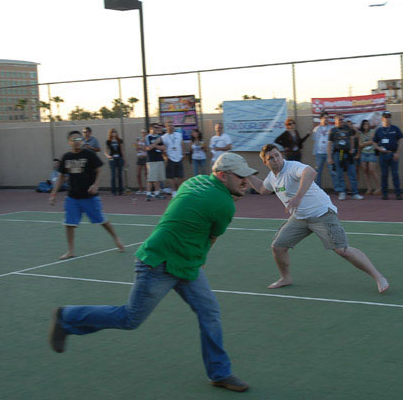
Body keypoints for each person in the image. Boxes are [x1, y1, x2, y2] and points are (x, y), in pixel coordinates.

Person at [48, 152, 257, 393]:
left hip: (184, 263)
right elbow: (211, 239)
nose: (246, 181)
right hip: (159, 263)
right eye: (241, 177)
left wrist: (192, 256)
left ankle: (219, 373)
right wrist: (198, 258)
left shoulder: (195, 180)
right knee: (129, 318)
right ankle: (66, 317)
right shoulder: (223, 205)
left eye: (247, 177)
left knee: (209, 312)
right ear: (222, 176)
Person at [247, 144, 388, 293]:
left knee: (342, 250)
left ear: (281, 155)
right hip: (300, 218)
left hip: (322, 213)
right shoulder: (272, 178)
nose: (275, 159)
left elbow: (310, 172)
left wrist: (298, 196)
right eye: (271, 158)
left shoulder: (292, 167)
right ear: (265, 162)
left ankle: (379, 277)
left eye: (277, 155)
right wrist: (247, 174)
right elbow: (262, 189)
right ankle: (286, 278)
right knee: (278, 247)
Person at [50, 130, 125, 260]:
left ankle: (116, 238)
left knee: (102, 220)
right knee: (69, 224)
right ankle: (70, 251)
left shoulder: (89, 154)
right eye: (74, 139)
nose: (77, 141)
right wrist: (53, 193)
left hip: (89, 197)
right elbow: (61, 176)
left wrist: (95, 185)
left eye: (79, 139)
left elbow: (99, 170)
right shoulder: (66, 157)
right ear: (69, 142)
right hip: (72, 197)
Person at [327, 114, 364, 200]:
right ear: (335, 120)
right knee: (339, 174)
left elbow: (351, 139)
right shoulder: (332, 130)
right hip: (338, 154)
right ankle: (342, 192)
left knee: (352, 173)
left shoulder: (348, 129)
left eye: (342, 120)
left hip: (348, 153)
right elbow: (329, 144)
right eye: (339, 119)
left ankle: (355, 193)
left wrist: (352, 148)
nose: (341, 121)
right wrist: (329, 157)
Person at [372, 112, 403, 200]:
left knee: (395, 174)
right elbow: (374, 142)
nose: (387, 119)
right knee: (384, 175)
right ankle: (385, 194)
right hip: (383, 155)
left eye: (389, 117)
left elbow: (401, 139)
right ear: (382, 119)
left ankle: (398, 193)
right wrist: (379, 148)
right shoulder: (379, 130)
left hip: (393, 154)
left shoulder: (395, 129)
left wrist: (398, 152)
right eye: (385, 117)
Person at [312, 112, 335, 188]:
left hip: (329, 153)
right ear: (320, 119)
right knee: (318, 172)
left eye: (327, 118)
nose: (326, 119)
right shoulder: (316, 129)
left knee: (333, 172)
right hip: (319, 153)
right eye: (325, 118)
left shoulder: (332, 128)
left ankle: (338, 189)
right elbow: (314, 139)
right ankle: (318, 189)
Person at [144, 122, 167, 201]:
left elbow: (163, 147)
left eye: (158, 127)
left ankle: (157, 193)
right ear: (151, 128)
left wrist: (156, 145)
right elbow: (148, 148)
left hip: (159, 159)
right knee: (151, 178)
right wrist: (156, 143)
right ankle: (148, 194)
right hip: (151, 160)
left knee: (157, 178)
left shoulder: (160, 137)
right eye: (155, 127)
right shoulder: (148, 137)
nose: (157, 129)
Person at [162, 121, 185, 197]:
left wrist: (183, 153)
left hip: (179, 158)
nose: (170, 127)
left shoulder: (178, 135)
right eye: (168, 126)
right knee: (170, 176)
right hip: (170, 158)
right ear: (166, 127)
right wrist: (165, 157)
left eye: (171, 125)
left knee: (180, 176)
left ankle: (179, 190)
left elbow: (182, 144)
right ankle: (174, 191)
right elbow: (163, 148)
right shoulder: (164, 137)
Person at [358, 119, 380, 195]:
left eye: (367, 124)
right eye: (364, 124)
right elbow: (360, 145)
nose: (366, 125)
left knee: (372, 170)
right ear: (362, 126)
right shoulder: (361, 134)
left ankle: (379, 187)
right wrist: (367, 143)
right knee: (365, 171)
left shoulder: (372, 131)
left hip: (371, 153)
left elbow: (373, 141)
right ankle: (369, 188)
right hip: (363, 154)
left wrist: (365, 143)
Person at [105, 128, 125, 196]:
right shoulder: (108, 141)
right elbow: (106, 151)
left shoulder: (119, 140)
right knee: (113, 175)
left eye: (115, 132)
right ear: (110, 133)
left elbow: (122, 150)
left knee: (119, 175)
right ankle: (113, 191)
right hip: (112, 158)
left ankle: (120, 191)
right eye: (113, 132)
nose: (114, 133)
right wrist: (108, 156)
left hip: (119, 158)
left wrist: (124, 159)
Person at [134, 129, 148, 194]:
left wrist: (140, 147)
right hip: (139, 157)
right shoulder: (139, 140)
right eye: (142, 132)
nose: (143, 133)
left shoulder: (147, 140)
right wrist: (137, 146)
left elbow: (146, 149)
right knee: (138, 174)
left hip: (145, 157)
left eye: (144, 132)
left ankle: (147, 188)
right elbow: (137, 149)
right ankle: (140, 189)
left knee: (146, 173)